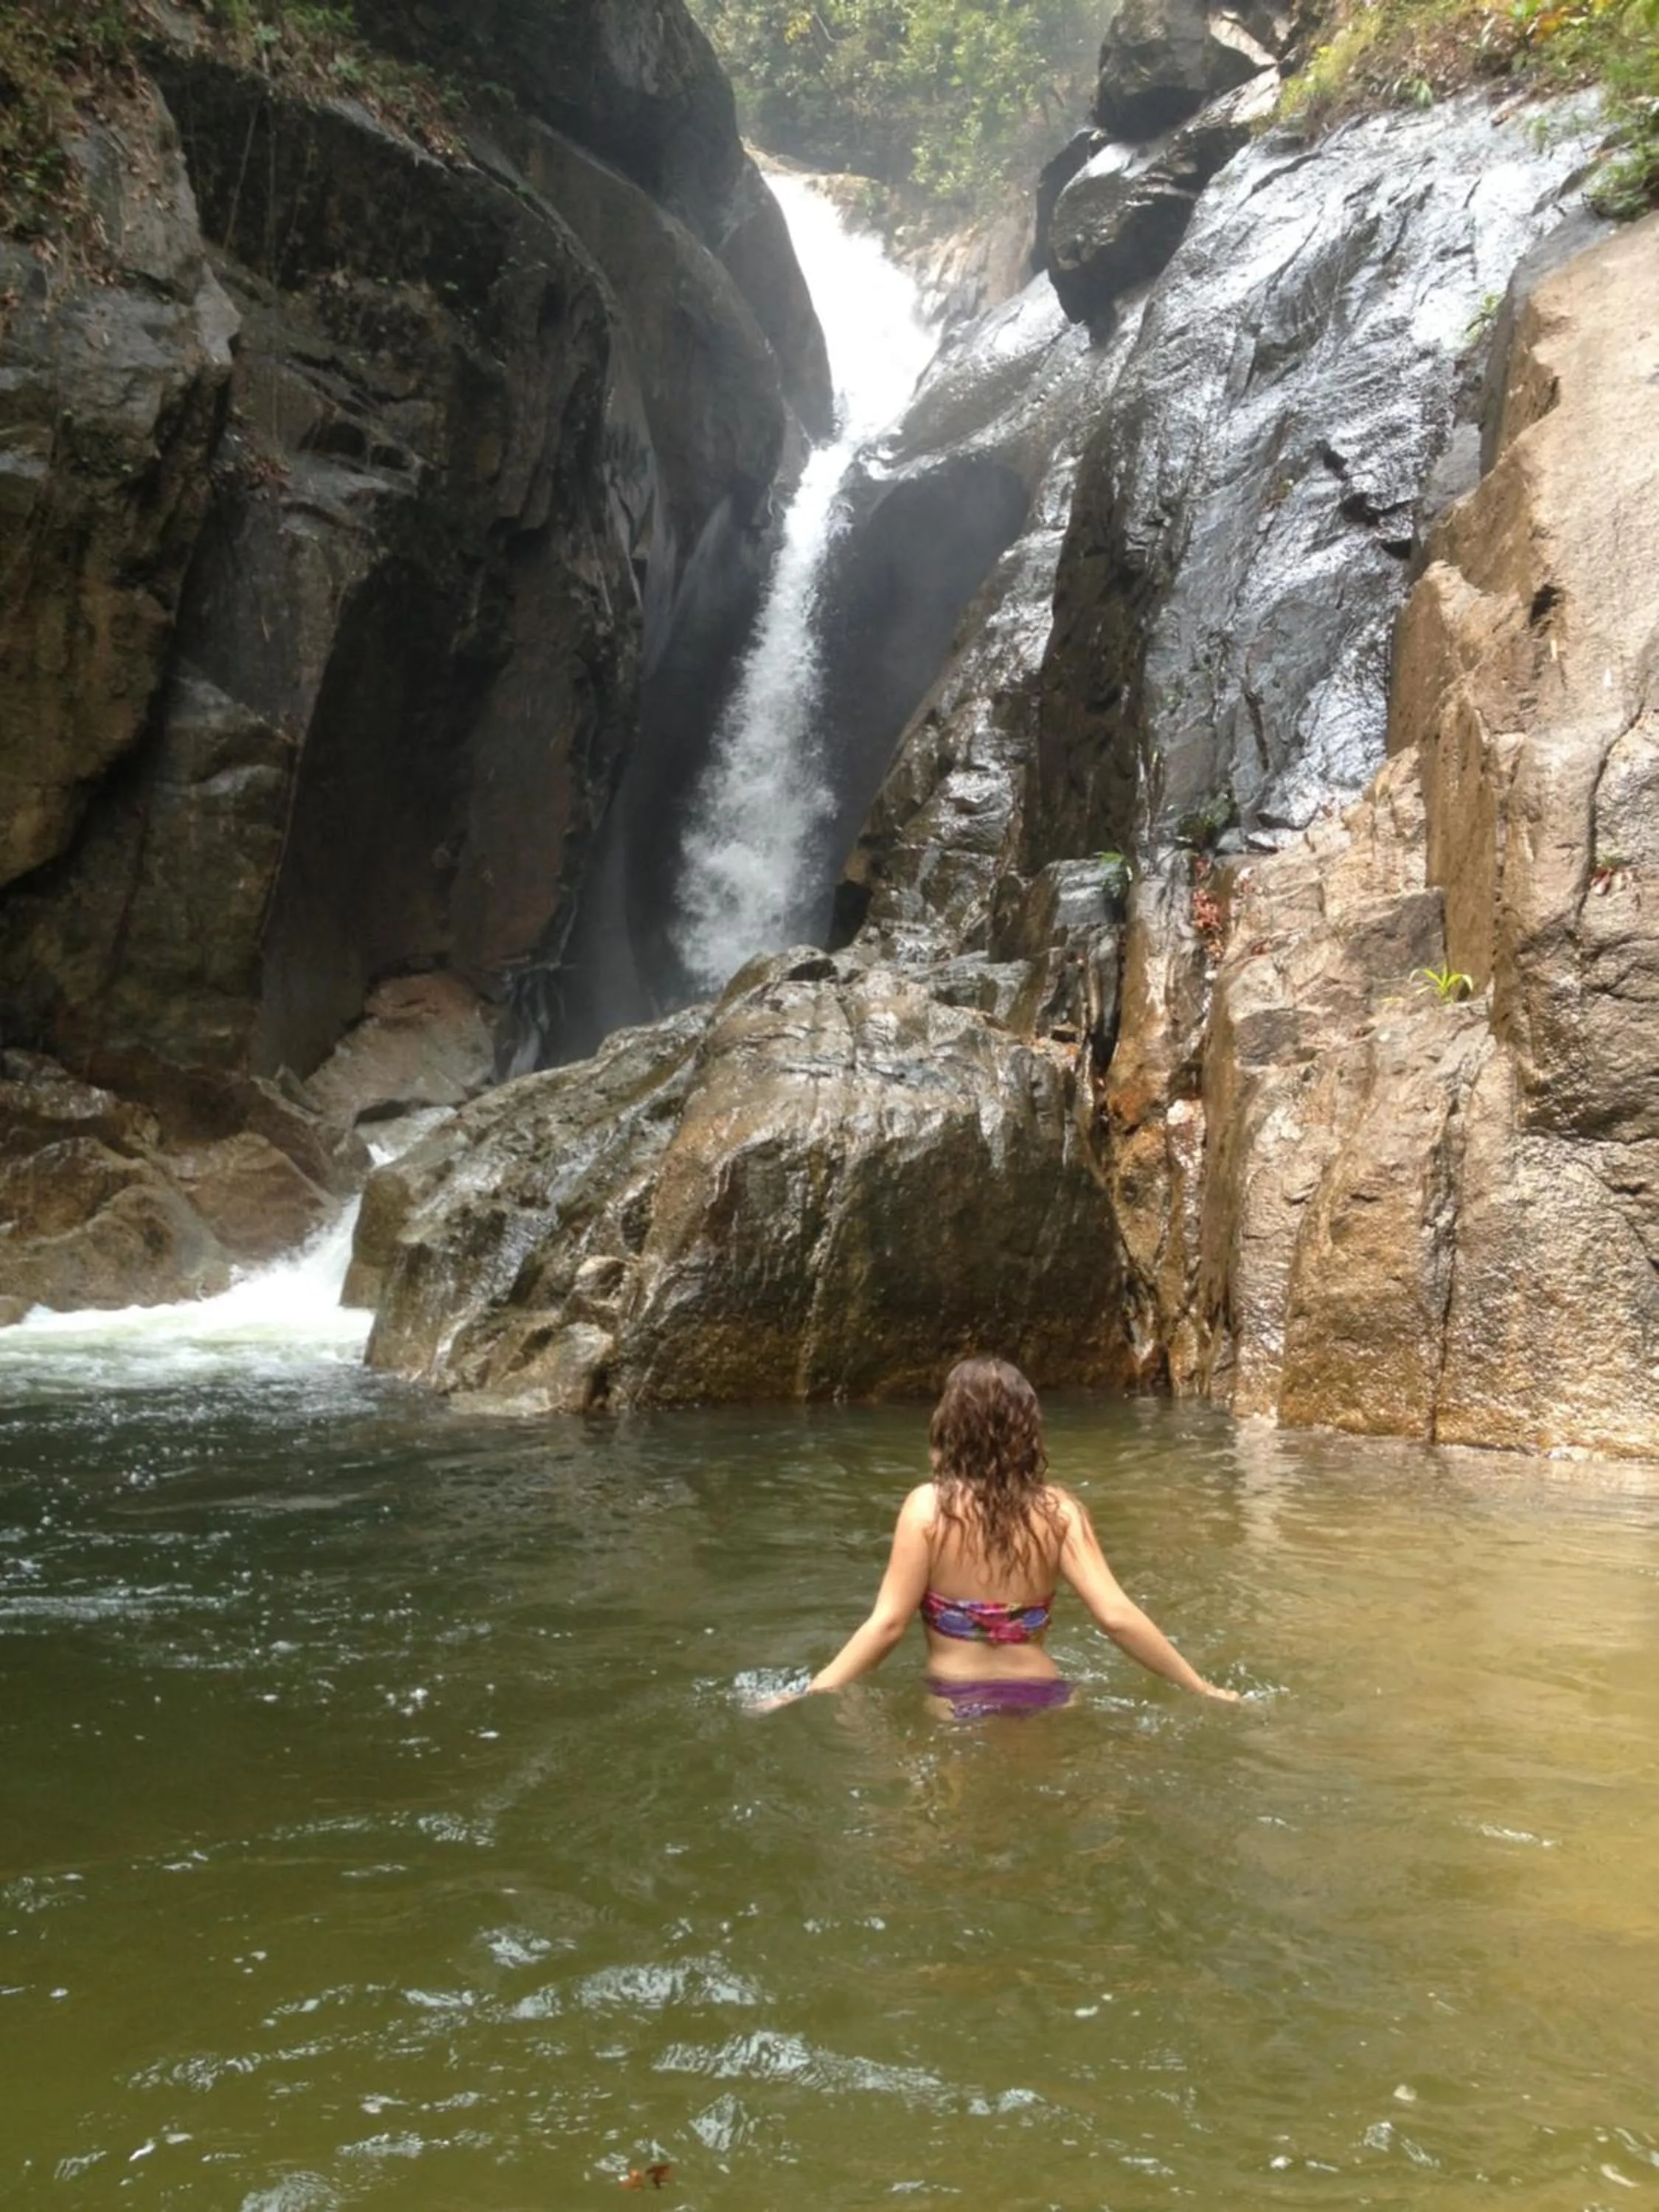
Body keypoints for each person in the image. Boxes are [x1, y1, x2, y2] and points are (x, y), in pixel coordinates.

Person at [769, 1356, 1239, 1717]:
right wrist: (1202, 1688)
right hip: (1048, 1696)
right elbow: (1116, 1616)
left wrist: (807, 1693)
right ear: (1027, 1430)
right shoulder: (1059, 1511)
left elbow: (887, 1626)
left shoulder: (926, 1509)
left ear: (949, 1426)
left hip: (957, 1700)